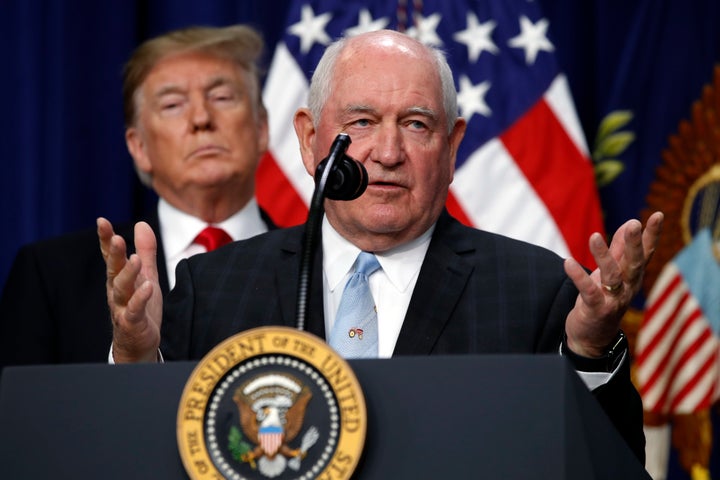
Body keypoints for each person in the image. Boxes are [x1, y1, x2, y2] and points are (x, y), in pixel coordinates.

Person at [99, 29, 663, 463]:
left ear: (452, 146)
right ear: (307, 138)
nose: (387, 152)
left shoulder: (537, 290)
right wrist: (137, 359)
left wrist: (589, 354)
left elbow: (609, 466)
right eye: (362, 121)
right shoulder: (213, 288)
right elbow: (145, 459)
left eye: (417, 124)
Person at [0, 25, 274, 368]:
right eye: (173, 104)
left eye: (221, 97)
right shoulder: (52, 276)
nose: (201, 119)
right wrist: (130, 355)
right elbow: (22, 416)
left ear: (262, 128)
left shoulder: (326, 262)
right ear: (139, 146)